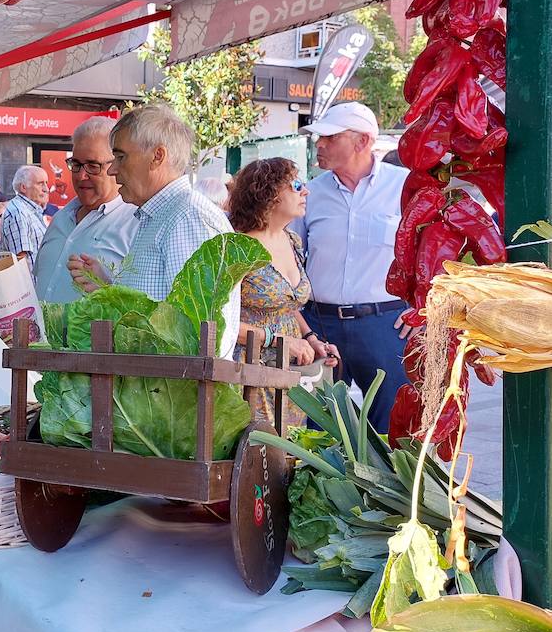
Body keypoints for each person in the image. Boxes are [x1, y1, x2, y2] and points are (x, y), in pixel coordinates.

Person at [70, 104, 240, 356]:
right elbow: (158, 309)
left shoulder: (187, 217)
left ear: (157, 156)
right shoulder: (162, 214)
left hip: (173, 390)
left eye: (120, 157)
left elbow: (194, 334)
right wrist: (108, 288)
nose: (113, 169)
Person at [294, 101, 408, 434]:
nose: (320, 145)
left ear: (362, 142)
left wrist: (425, 311)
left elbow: (433, 256)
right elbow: (290, 262)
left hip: (386, 326)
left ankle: (386, 488)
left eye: (330, 137)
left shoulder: (405, 188)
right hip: (320, 327)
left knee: (393, 433)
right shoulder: (309, 194)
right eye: (319, 138)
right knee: (317, 428)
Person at [226, 158, 340, 429]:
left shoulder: (292, 240)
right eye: (297, 185)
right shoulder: (239, 246)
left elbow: (287, 306)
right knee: (262, 453)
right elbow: (221, 321)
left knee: (292, 451)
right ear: (269, 193)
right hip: (250, 368)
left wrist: (311, 338)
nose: (306, 191)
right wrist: (278, 342)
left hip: (291, 370)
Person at [34, 117, 139, 303]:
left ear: (115, 166)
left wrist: (108, 288)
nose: (82, 176)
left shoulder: (135, 224)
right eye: (76, 164)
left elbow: (145, 307)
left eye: (93, 166)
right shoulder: (61, 218)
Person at [0, 165, 50, 279]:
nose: (46, 188)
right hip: (28, 292)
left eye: (46, 183)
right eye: (40, 183)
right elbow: (20, 260)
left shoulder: (28, 210)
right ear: (23, 187)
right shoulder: (19, 212)